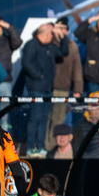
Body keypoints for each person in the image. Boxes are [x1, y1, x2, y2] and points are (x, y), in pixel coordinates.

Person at [19, 22, 68, 157]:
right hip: (36, 88)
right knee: (35, 118)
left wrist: (61, 37)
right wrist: (39, 75)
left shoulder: (50, 47)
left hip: (48, 89)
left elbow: (64, 52)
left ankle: (40, 146)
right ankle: (30, 147)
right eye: (51, 33)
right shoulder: (31, 44)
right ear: (42, 33)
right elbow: (26, 63)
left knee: (44, 118)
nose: (51, 36)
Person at [49, 17, 83, 149]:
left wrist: (78, 89)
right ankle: (45, 147)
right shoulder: (48, 41)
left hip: (62, 88)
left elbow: (77, 68)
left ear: (68, 31)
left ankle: (52, 148)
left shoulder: (72, 46)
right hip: (45, 88)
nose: (61, 31)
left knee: (58, 120)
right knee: (45, 119)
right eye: (59, 28)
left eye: (64, 29)